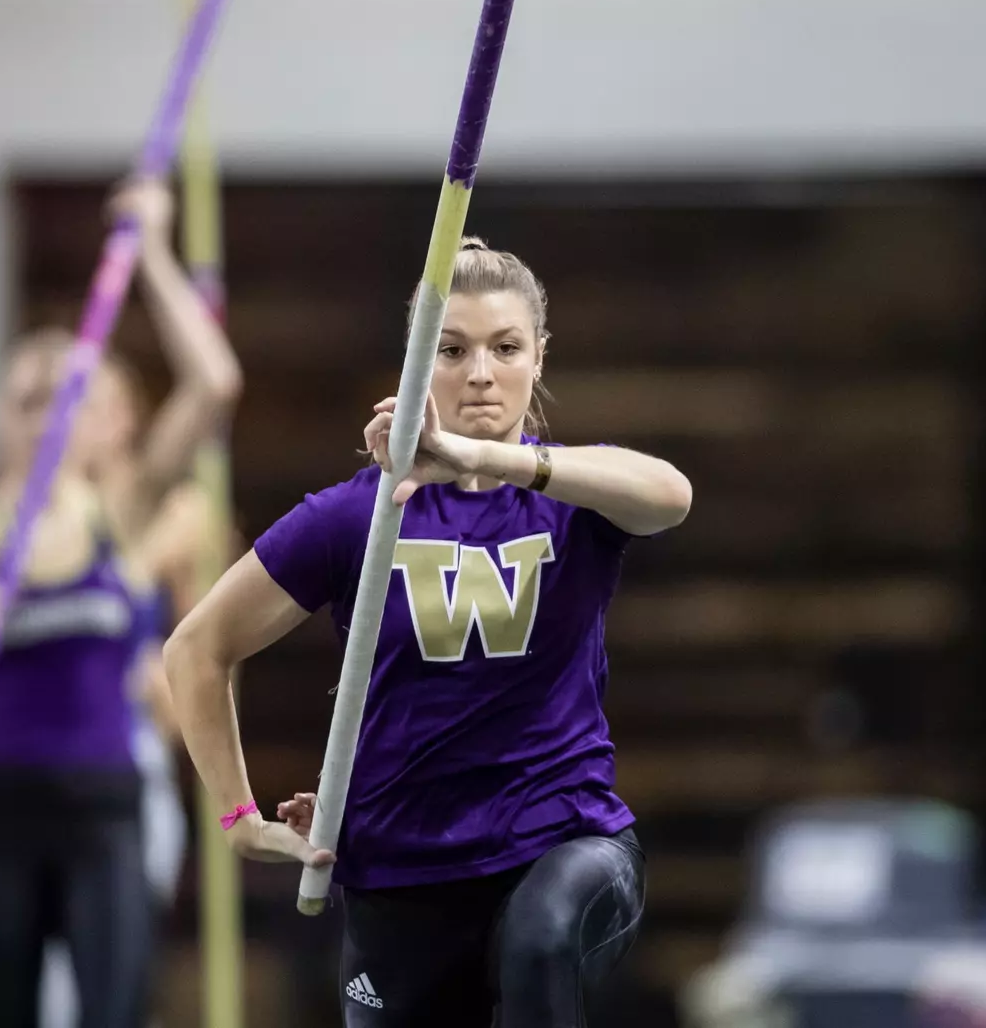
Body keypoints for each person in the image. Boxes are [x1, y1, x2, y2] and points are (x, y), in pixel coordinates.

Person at [164, 238, 693, 1026]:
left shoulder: (573, 492)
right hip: (401, 867)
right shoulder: (358, 515)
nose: (480, 372)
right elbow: (196, 651)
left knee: (541, 945)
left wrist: (487, 457)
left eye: (505, 348)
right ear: (418, 361)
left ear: (538, 358)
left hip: (561, 841)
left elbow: (671, 496)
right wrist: (241, 821)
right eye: (452, 350)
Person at [0, 177, 241, 1028]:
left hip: (104, 808)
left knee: (111, 1012)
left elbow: (213, 382)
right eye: (29, 400)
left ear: (98, 420)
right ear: (2, 420)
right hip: (2, 805)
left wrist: (154, 254)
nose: (49, 417)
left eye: (69, 398)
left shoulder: (124, 512)